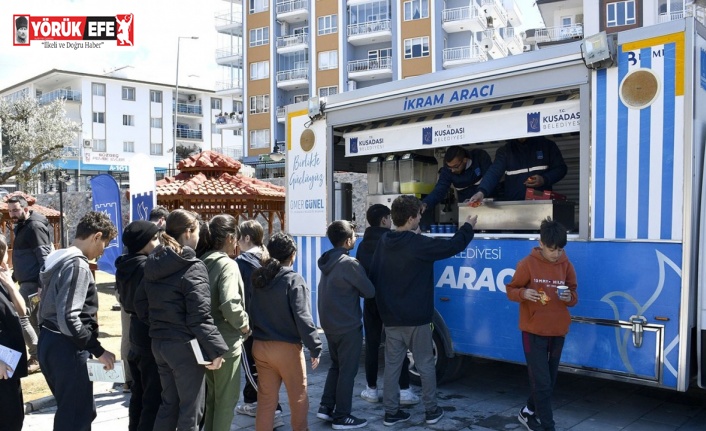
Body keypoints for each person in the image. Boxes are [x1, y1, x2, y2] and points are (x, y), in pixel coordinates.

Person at [369, 195, 477, 426]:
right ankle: (431, 411)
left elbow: (375, 275)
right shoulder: (419, 244)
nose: (421, 218)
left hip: (391, 317)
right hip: (417, 318)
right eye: (419, 215)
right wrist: (468, 226)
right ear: (411, 219)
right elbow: (453, 245)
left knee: (392, 366)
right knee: (426, 364)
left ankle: (391, 413)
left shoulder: (385, 241)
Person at [135, 209, 228, 431]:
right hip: (184, 347)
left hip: (160, 343)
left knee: (170, 405)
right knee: (191, 412)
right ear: (188, 232)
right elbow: (200, 317)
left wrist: (161, 323)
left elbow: (140, 304)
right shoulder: (192, 266)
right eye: (197, 232)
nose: (198, 237)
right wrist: (216, 350)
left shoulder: (153, 262)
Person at [37, 211, 118, 431]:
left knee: (77, 410)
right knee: (75, 417)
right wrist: (98, 350)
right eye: (105, 244)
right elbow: (68, 317)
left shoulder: (57, 259)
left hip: (49, 342)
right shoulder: (77, 265)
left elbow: (42, 307)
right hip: (67, 347)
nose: (102, 251)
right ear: (96, 236)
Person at [505, 217, 578, 431]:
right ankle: (548, 426)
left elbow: (574, 295)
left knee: (549, 382)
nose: (557, 254)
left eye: (561, 250)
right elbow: (511, 290)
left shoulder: (566, 265)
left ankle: (527, 412)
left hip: (557, 331)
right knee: (542, 383)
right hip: (533, 331)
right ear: (541, 244)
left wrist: (569, 298)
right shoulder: (527, 264)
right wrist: (523, 292)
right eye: (552, 249)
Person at [250, 232, 322, 431]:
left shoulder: (259, 278)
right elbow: (303, 317)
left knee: (266, 402)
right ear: (292, 255)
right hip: (287, 349)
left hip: (260, 346)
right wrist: (315, 346)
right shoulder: (293, 279)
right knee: (298, 398)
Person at [355, 204, 419, 406]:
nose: (391, 221)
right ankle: (405, 390)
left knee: (372, 345)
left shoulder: (362, 245)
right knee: (398, 345)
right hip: (391, 300)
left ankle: (371, 389)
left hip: (370, 300)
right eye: (389, 218)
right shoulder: (391, 240)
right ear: (383, 220)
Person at [316, 220, 375, 430]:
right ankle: (342, 417)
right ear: (348, 240)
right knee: (347, 372)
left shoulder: (327, 260)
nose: (356, 238)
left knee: (336, 366)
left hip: (329, 324)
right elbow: (370, 292)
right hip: (347, 325)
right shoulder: (349, 263)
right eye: (354, 235)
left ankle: (325, 407)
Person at [198, 215, 250, 431]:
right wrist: (244, 324)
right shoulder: (227, 264)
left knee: (212, 401)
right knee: (226, 403)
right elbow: (230, 303)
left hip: (203, 341)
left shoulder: (202, 261)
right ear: (230, 237)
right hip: (226, 344)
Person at [234, 220, 284, 427]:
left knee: (252, 368)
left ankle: (275, 409)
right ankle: (252, 402)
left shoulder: (241, 263)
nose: (236, 242)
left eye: (238, 237)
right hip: (270, 322)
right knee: (261, 368)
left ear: (246, 238)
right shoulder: (268, 259)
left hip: (250, 324)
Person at [115, 221, 162, 431]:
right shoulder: (146, 267)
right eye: (154, 238)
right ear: (144, 242)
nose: (159, 242)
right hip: (147, 330)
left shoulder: (125, 263)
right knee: (152, 395)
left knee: (138, 393)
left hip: (135, 329)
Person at [7, 194, 52, 374]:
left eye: (16, 210)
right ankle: (42, 355)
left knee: (19, 317)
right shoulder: (23, 226)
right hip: (26, 283)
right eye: (10, 211)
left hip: (34, 285)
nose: (12, 214)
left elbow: (45, 258)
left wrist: (42, 284)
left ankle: (37, 356)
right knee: (32, 321)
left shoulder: (34, 226)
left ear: (26, 209)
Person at [469, 136, 567, 203]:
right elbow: (494, 172)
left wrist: (544, 179)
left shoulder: (547, 145)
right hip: (515, 207)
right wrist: (481, 192)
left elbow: (561, 168)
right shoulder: (505, 151)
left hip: (541, 205)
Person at [0, 235, 27, 431]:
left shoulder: (3, 279)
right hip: (1, 363)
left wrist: (10, 285)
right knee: (8, 418)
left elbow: (22, 310)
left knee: (15, 415)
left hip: (11, 361)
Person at [422, 146, 492, 211]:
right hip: (466, 209)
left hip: (488, 206)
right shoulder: (447, 171)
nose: (452, 170)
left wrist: (481, 193)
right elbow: (439, 190)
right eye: (450, 167)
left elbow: (490, 179)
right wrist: (425, 203)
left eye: (456, 167)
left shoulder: (479, 157)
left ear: (465, 159)